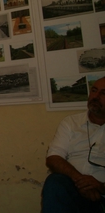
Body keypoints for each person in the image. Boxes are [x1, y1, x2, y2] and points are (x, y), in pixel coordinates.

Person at [42, 76, 105, 213]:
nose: (96, 96)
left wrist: (100, 186)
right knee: (55, 182)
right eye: (94, 90)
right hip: (75, 188)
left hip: (103, 194)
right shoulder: (71, 122)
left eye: (103, 93)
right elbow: (53, 157)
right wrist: (81, 181)